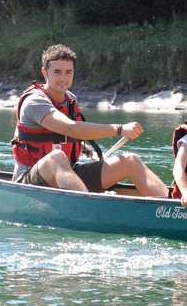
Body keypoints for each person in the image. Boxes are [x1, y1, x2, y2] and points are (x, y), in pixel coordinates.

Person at [11, 44, 170, 196]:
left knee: (130, 160)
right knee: (57, 157)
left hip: (66, 176)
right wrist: (119, 129)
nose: (63, 78)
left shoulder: (70, 99)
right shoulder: (34, 102)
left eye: (68, 72)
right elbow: (71, 129)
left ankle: (172, 208)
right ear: (45, 73)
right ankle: (89, 204)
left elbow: (61, 138)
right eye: (57, 72)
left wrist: (89, 151)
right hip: (29, 183)